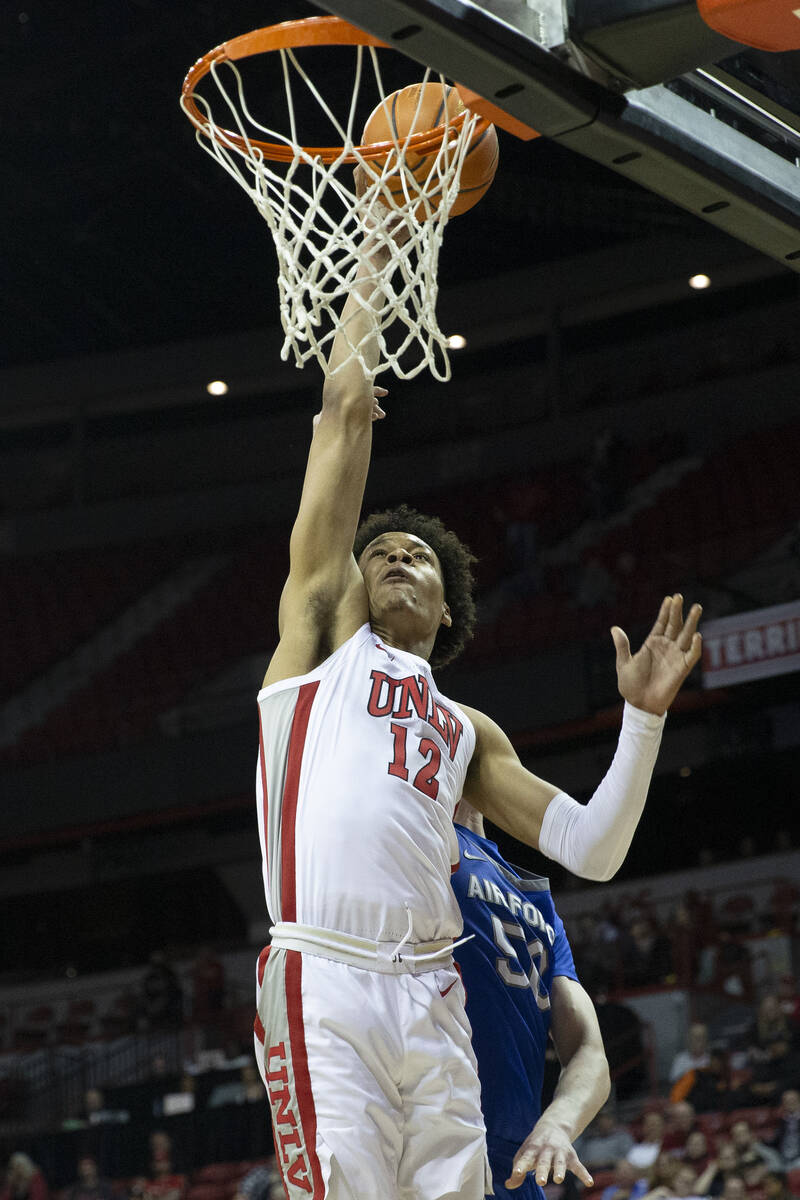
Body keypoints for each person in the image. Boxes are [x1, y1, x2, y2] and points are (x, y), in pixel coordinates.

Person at [254, 215, 703, 1199]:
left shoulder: (467, 732)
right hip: (326, 970)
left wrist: (641, 721)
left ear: (448, 602)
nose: (394, 559)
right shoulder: (321, 646)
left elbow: (587, 849)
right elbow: (338, 415)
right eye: (378, 555)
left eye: (413, 553)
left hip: (435, 991)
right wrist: (376, 247)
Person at [451, 799, 610, 1195]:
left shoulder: (432, 847)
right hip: (447, 1144)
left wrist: (558, 1123)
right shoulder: (534, 897)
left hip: (506, 1156)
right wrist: (558, 1124)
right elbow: (588, 1049)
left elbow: (588, 1051)